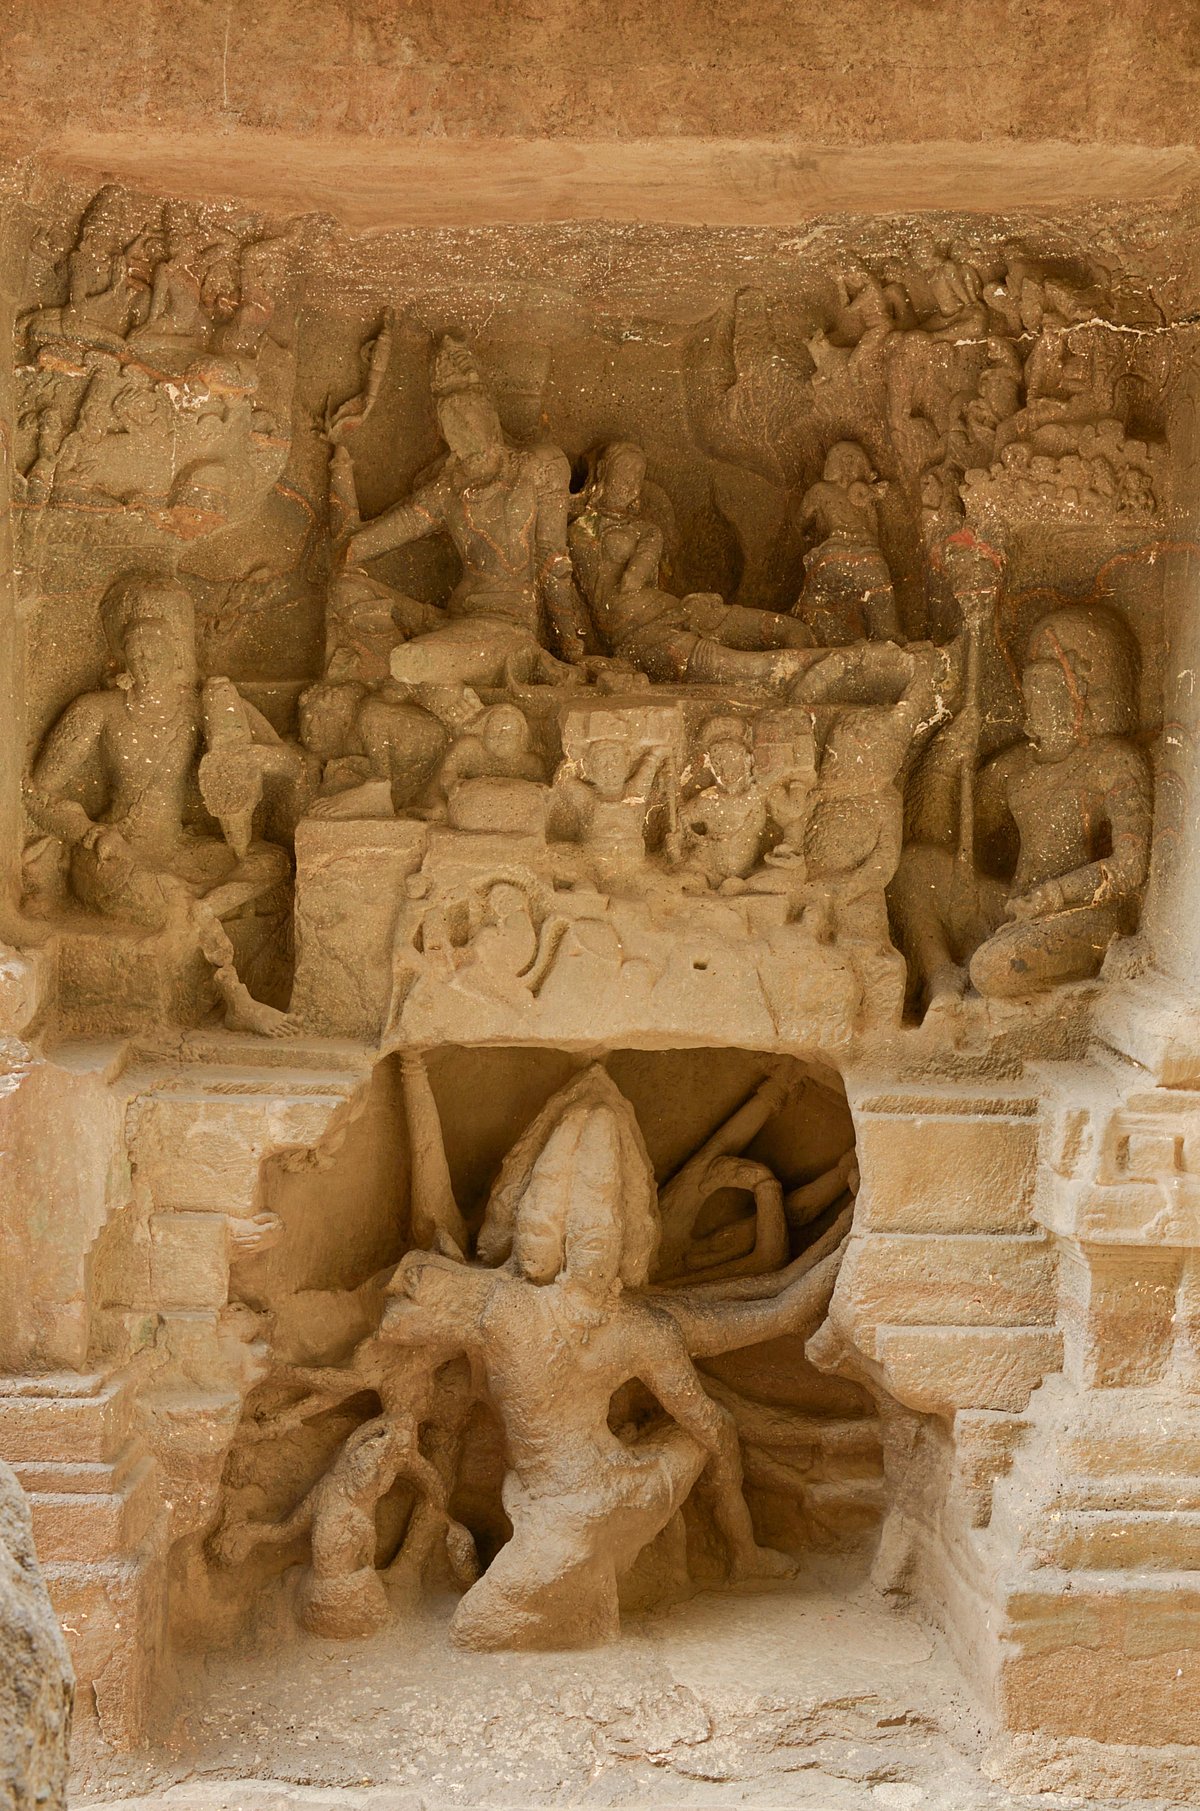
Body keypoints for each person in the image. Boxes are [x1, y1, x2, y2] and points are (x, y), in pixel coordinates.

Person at [26, 576, 305, 1034]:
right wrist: (87, 832)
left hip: (175, 846)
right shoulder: (96, 710)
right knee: (169, 900)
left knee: (272, 863)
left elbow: (285, 760)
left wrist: (249, 758)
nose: (149, 662)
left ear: (178, 657)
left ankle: (208, 907)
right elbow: (36, 792)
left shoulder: (201, 707)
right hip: (114, 853)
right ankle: (235, 995)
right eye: (138, 654)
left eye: (158, 652)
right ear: (123, 661)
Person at [891, 605, 1152, 1012]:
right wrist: (948, 754)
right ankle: (941, 974)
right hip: (1017, 904)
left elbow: (1132, 865)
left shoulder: (1111, 761)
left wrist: (1055, 895)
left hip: (1083, 915)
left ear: (1080, 692)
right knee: (912, 870)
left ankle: (976, 971)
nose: (1035, 701)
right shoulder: (1015, 768)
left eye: (1049, 688)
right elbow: (945, 833)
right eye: (1030, 689)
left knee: (992, 969)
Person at [343, 335, 589, 679]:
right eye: (449, 415)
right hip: (451, 620)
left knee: (417, 659)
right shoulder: (448, 488)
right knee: (346, 586)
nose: (463, 425)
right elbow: (380, 537)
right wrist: (345, 539)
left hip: (505, 627)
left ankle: (402, 677)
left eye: (469, 407)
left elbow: (553, 562)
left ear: (489, 409)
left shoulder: (539, 467)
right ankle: (383, 675)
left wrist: (572, 650)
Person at [570, 441, 819, 690]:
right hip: (633, 635)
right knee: (732, 664)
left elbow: (637, 580)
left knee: (787, 630)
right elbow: (622, 585)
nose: (631, 483)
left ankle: (817, 659)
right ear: (603, 470)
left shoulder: (647, 530)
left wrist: (650, 540)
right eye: (625, 471)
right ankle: (807, 671)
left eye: (638, 476)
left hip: (676, 607)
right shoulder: (580, 530)